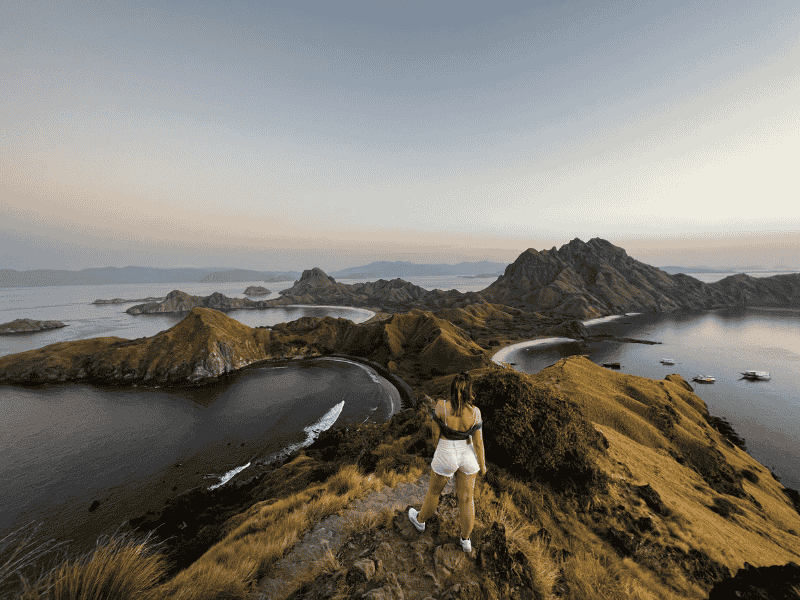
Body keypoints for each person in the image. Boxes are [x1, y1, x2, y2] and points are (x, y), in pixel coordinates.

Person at [408, 371, 487, 553]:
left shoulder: (441, 407)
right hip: (467, 454)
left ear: (452, 389)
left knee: (434, 492)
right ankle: (466, 541)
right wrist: (483, 465)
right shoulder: (475, 413)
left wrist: (440, 451)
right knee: (467, 500)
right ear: (469, 392)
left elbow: (435, 436)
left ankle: (420, 521)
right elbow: (479, 443)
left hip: (446, 450)